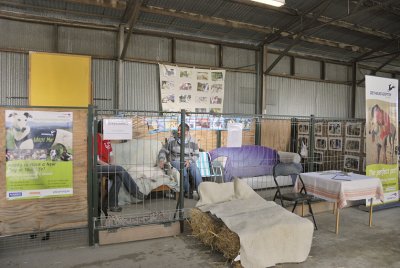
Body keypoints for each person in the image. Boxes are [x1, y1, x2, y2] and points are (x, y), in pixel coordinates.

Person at [96, 120, 144, 212]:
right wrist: (109, 166)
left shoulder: (106, 139)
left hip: (106, 166)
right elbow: (96, 159)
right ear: (103, 129)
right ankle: (135, 191)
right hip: (97, 167)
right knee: (119, 169)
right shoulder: (94, 139)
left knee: (117, 176)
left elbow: (111, 154)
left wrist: (112, 163)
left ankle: (112, 205)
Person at [158, 123, 202, 199]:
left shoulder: (193, 141)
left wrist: (190, 161)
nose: (178, 132)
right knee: (183, 170)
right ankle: (187, 192)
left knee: (195, 170)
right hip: (176, 161)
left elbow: (197, 154)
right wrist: (161, 160)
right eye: (178, 130)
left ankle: (202, 193)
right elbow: (163, 150)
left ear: (187, 132)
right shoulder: (172, 140)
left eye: (180, 130)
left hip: (188, 161)